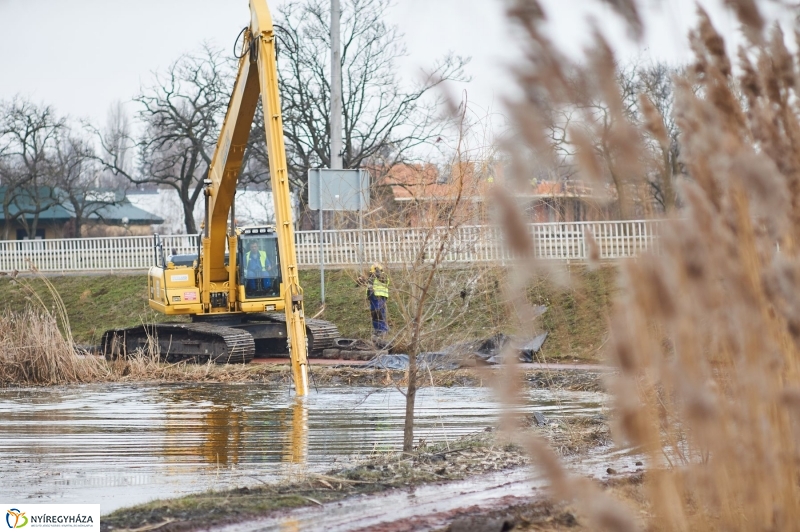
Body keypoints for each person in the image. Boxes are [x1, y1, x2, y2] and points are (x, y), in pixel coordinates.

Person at [359, 262, 389, 344]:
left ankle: (382, 330)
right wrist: (361, 280)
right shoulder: (372, 278)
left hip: (379, 297)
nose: (372, 273)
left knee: (379, 314)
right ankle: (377, 330)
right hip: (373, 298)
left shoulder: (383, 276)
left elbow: (379, 277)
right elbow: (367, 285)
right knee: (375, 315)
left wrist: (377, 268)